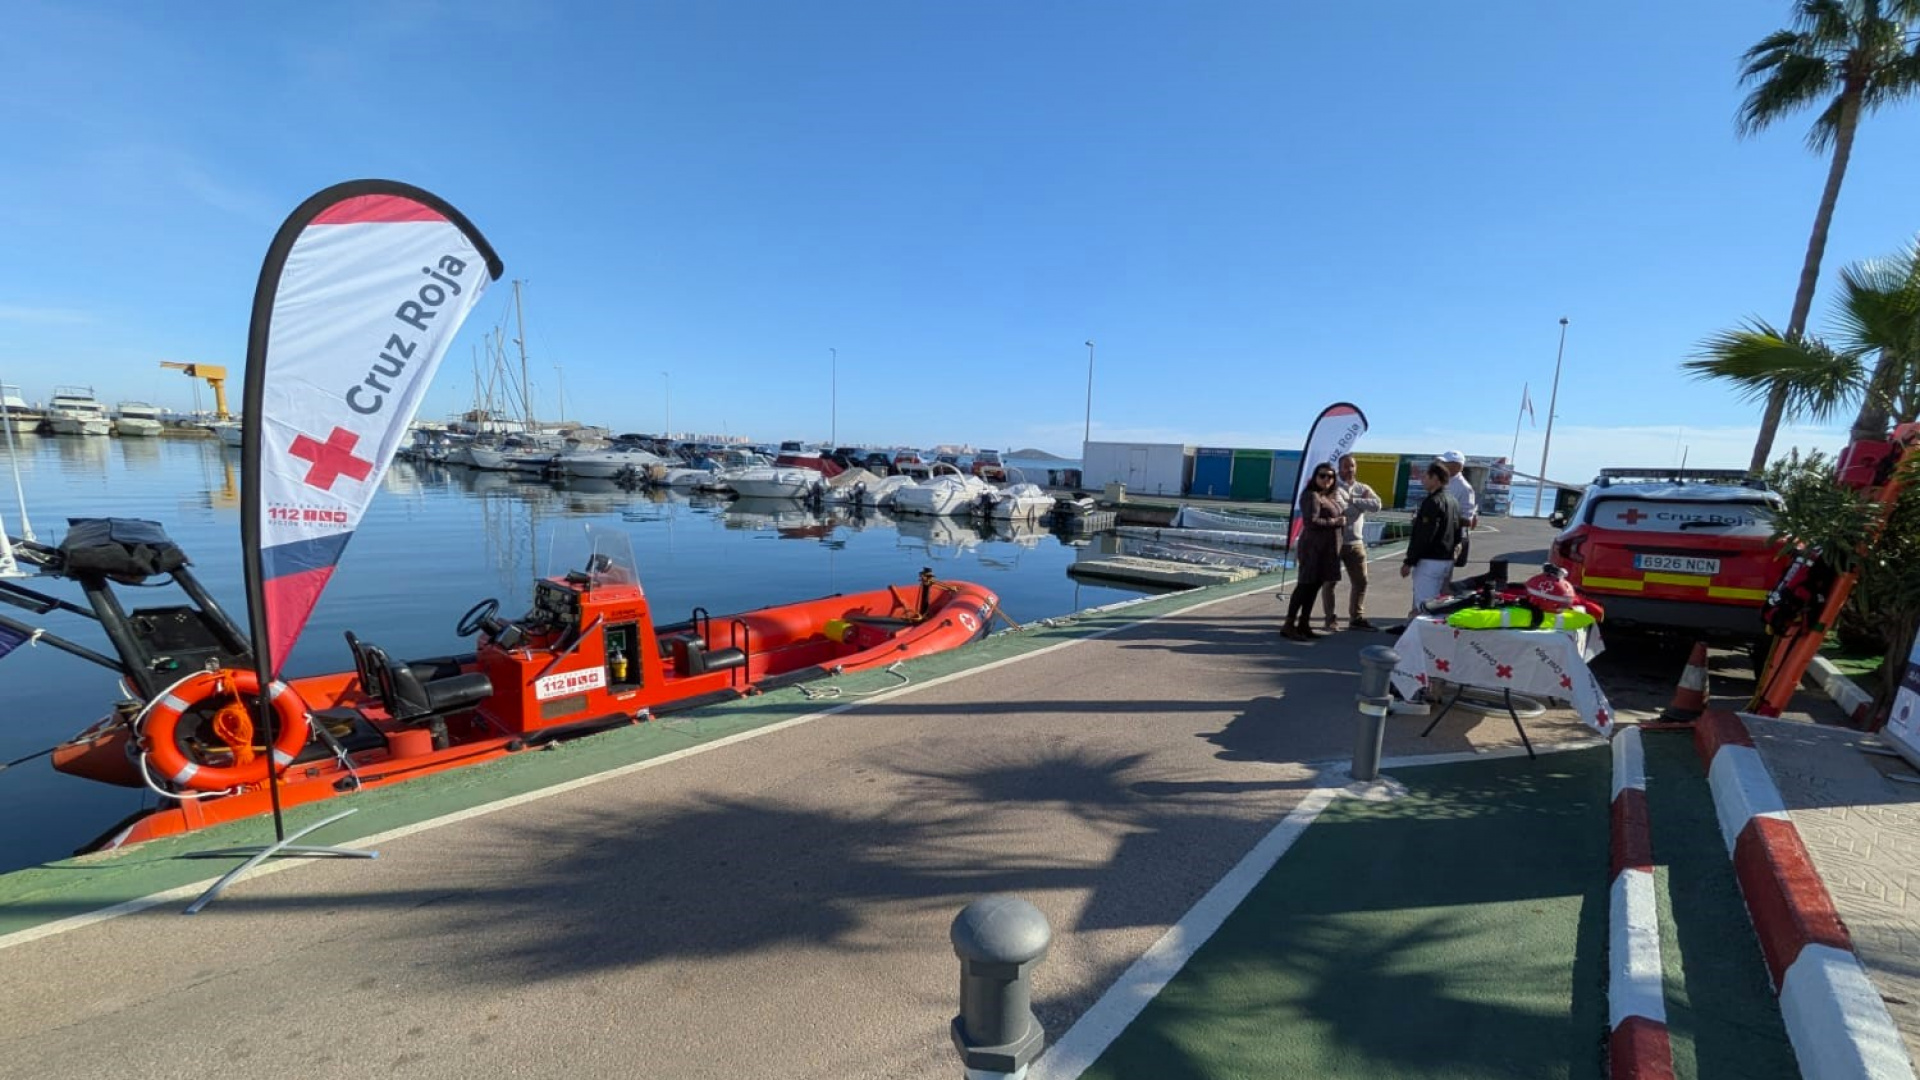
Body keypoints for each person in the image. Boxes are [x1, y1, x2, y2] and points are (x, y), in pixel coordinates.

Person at [1282, 462, 1345, 641]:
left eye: (1330, 476)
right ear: (1315, 477)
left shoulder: (1328, 496)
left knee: (1314, 587)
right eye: (1322, 475)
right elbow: (1311, 522)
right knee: (1304, 586)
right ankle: (1289, 624)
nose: (1327, 479)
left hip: (1327, 551)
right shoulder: (1311, 496)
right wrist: (1336, 522)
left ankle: (1304, 623)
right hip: (1313, 550)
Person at [1320, 453, 1382, 631]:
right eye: (1346, 466)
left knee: (1361, 582)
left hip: (1356, 543)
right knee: (1329, 582)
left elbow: (1377, 505)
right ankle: (1330, 618)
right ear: (1339, 468)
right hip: (1335, 542)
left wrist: (1354, 500)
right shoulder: (1332, 487)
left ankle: (1356, 618)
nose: (1349, 469)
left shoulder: (1362, 487)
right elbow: (1344, 512)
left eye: (1352, 466)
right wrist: (1361, 505)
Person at [1401, 460, 1461, 615]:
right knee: (1439, 603)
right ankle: (1416, 632)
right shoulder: (1453, 501)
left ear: (1435, 478)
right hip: (1446, 559)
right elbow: (1458, 532)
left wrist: (1409, 561)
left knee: (1426, 605)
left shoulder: (1433, 502)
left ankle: (1424, 637)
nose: (1423, 479)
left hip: (1430, 561)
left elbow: (1425, 535)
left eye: (1426, 476)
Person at [1438, 450, 1478, 580]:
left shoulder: (1464, 488)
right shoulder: (1443, 482)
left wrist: (1439, 519)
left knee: (1442, 575)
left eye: (1445, 463)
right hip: (1438, 535)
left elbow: (1467, 520)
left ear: (1457, 466)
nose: (1441, 465)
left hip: (1451, 538)